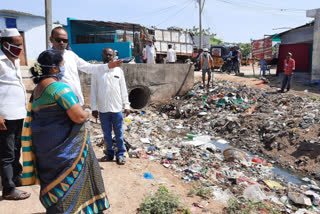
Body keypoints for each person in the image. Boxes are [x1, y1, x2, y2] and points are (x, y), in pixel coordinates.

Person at [21, 50, 109, 213]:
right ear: (54, 68)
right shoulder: (59, 88)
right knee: (71, 184)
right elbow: (78, 117)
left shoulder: (37, 91)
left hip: (46, 151)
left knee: (54, 186)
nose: (63, 69)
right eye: (62, 65)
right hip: (65, 152)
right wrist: (87, 112)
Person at [49, 26, 122, 106]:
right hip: (58, 104)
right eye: (59, 40)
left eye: (65, 40)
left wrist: (108, 66)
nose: (62, 43)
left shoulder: (70, 55)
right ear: (51, 39)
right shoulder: (46, 57)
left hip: (76, 101)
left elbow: (88, 68)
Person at [0, 28, 31, 200]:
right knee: (6, 153)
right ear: (6, 44)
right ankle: (8, 189)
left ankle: (16, 178)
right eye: (18, 45)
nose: (21, 49)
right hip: (5, 117)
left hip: (19, 113)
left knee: (16, 148)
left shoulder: (15, 61)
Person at [91, 47, 130, 165]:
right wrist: (94, 108)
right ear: (102, 56)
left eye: (110, 55)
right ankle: (109, 154)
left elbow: (123, 89)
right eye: (106, 55)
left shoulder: (118, 71)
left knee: (119, 133)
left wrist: (126, 105)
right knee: (106, 134)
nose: (108, 57)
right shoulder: (96, 71)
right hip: (103, 109)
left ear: (113, 56)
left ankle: (121, 155)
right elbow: (93, 90)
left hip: (117, 108)